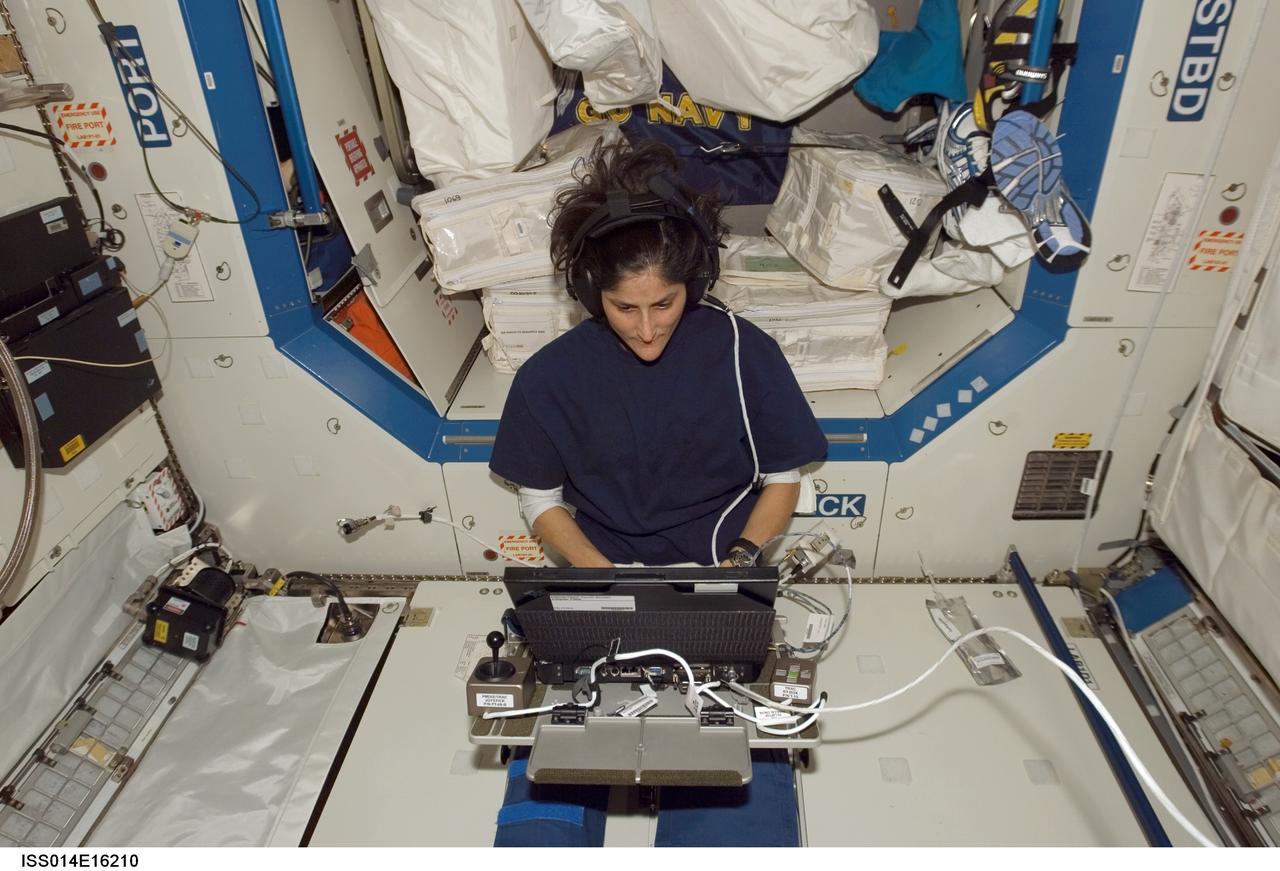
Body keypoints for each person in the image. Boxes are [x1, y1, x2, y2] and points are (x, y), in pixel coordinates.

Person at [489, 139, 826, 568]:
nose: (647, 331)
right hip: (602, 561)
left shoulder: (744, 353)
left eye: (664, 304)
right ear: (591, 294)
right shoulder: (548, 377)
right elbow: (539, 498)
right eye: (625, 308)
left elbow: (782, 476)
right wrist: (602, 576)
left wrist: (738, 565)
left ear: (695, 283)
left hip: (723, 556)